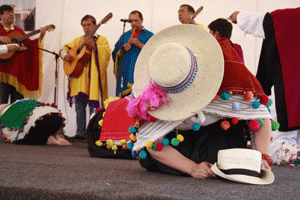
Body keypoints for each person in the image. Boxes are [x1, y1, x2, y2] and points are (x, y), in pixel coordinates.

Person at [125, 24, 274, 180]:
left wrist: (262, 157)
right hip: (178, 143)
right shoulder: (151, 86)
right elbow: (152, 143)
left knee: (226, 148)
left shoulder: (228, 74)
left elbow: (260, 115)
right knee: (150, 157)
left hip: (218, 137)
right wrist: (192, 168)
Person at [229, 8, 300, 166]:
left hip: (289, 89)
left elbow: (261, 21)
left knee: (279, 141)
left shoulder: (289, 18)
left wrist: (238, 16)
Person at [59, 14, 111, 140]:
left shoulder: (102, 40)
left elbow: (107, 54)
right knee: (80, 107)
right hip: (80, 80)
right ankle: (81, 133)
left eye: (89, 25)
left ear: (95, 25)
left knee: (95, 108)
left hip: (94, 80)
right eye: (84, 25)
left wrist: (95, 46)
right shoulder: (78, 41)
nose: (86, 27)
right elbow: (63, 49)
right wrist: (66, 56)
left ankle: (94, 135)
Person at [0, 4, 47, 104]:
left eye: (12, 12)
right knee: (1, 104)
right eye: (8, 13)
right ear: (1, 16)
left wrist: (41, 36)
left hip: (18, 75)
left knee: (16, 107)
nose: (11, 15)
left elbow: (30, 45)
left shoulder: (19, 31)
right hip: (2, 75)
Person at [112, 10, 153, 97]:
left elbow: (154, 53)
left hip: (141, 73)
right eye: (131, 21)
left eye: (136, 20)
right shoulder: (125, 35)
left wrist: (139, 44)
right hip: (125, 73)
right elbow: (115, 53)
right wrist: (122, 48)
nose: (133, 23)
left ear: (142, 20)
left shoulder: (149, 35)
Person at [0, 99, 71, 146]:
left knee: (25, 139)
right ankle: (57, 135)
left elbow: (12, 136)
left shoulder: (4, 115)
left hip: (39, 121)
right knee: (48, 122)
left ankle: (47, 139)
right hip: (57, 116)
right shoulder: (20, 102)